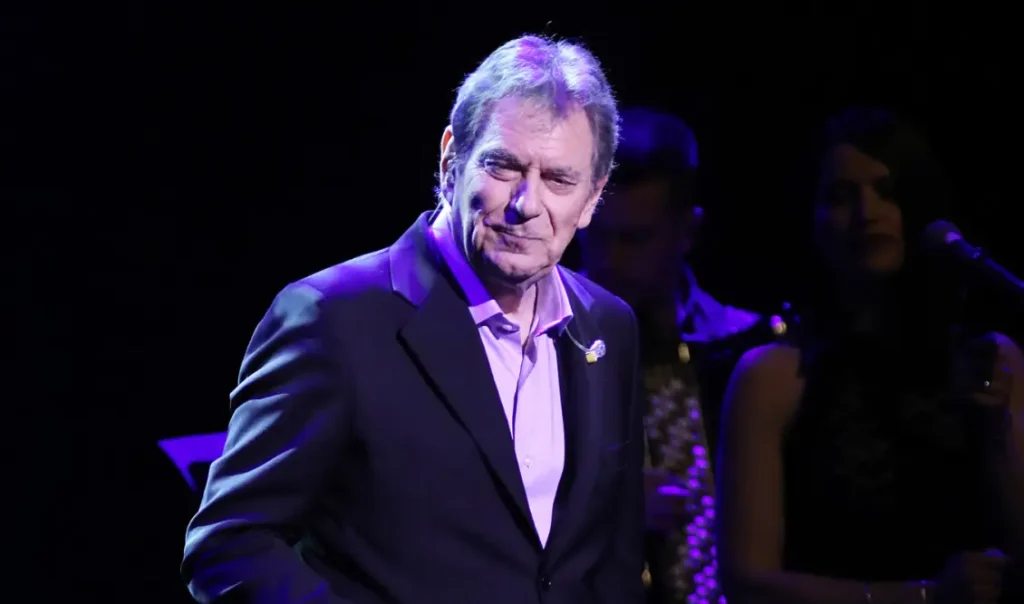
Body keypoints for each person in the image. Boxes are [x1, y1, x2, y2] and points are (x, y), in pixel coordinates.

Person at [181, 35, 646, 604]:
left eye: (559, 180)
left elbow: (613, 562)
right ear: (451, 159)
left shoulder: (609, 327)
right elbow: (229, 545)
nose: (526, 204)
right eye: (503, 166)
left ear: (593, 196)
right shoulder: (334, 319)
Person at [715, 107, 1024, 604]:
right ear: (812, 222)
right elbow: (747, 583)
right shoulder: (771, 376)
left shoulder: (989, 360)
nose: (867, 212)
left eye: (887, 191)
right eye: (841, 196)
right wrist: (926, 597)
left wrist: (992, 433)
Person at [578, 107, 782, 604]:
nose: (609, 261)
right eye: (595, 236)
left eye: (635, 239)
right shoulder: (532, 348)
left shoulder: (749, 348)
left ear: (687, 232)